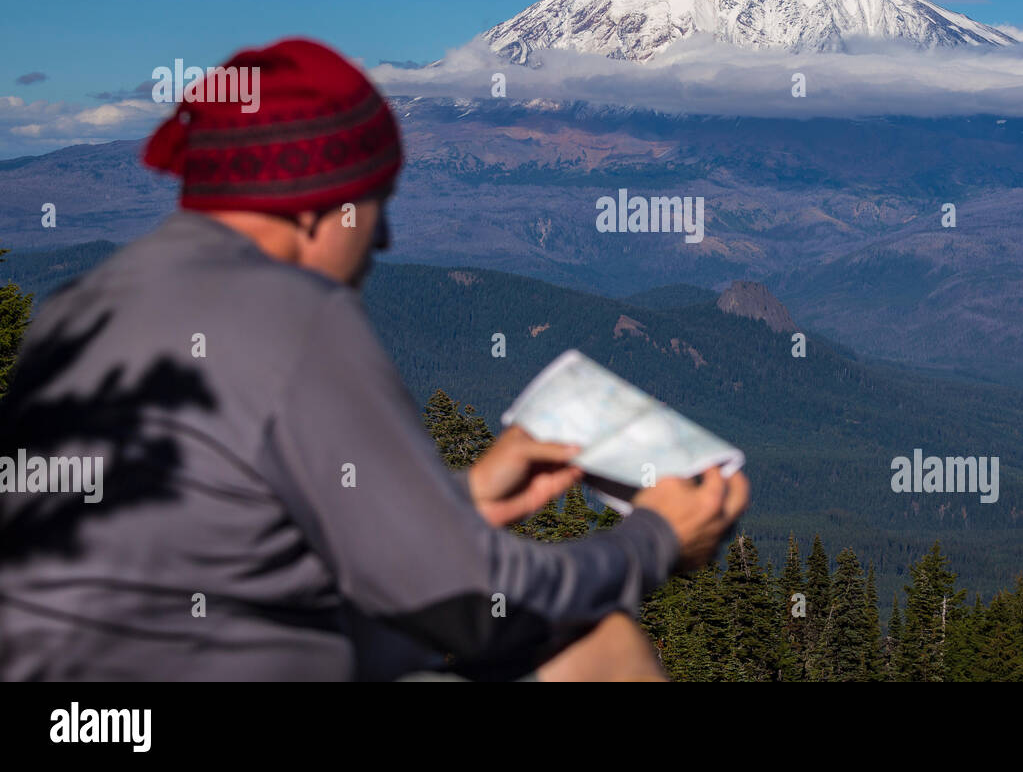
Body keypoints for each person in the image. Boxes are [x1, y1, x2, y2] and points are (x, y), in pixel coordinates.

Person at [0, 37, 748, 681]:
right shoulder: (292, 310)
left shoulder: (76, 306)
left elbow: (222, 542)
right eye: (376, 205)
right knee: (589, 642)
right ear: (316, 206)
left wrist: (462, 499)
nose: (382, 241)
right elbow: (478, 604)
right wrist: (654, 540)